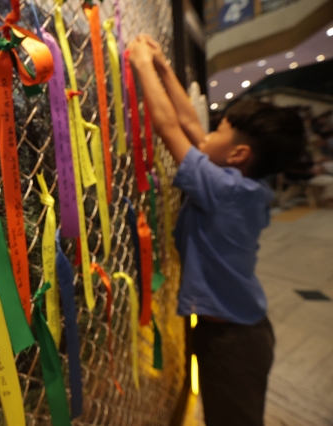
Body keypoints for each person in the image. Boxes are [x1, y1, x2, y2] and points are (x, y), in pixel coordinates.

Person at [127, 35, 305, 426]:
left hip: (234, 343)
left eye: (219, 130)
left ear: (239, 155)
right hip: (231, 331)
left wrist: (141, 63)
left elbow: (171, 127)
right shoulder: (240, 184)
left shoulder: (224, 189)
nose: (207, 133)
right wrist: (162, 66)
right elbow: (190, 122)